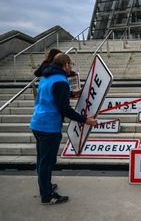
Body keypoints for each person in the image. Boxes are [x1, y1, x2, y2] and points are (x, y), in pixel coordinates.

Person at [30, 53, 98, 204]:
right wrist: (86, 120)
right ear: (65, 65)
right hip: (49, 126)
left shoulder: (46, 76)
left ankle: (45, 186)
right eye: (70, 65)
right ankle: (47, 196)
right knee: (47, 162)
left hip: (37, 122)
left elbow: (53, 96)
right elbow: (65, 109)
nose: (70, 68)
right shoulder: (61, 81)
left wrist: (72, 94)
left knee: (42, 160)